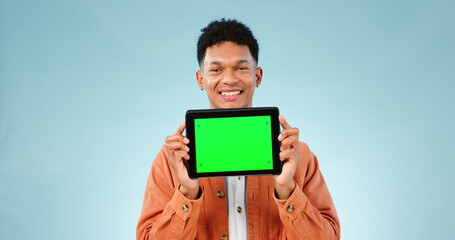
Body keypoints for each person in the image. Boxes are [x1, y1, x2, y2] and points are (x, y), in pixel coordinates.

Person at [137, 18, 340, 240]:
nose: (230, 79)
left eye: (241, 67)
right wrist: (187, 193)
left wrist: (287, 191)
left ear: (258, 76)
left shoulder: (297, 156)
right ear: (200, 79)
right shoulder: (172, 161)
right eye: (216, 69)